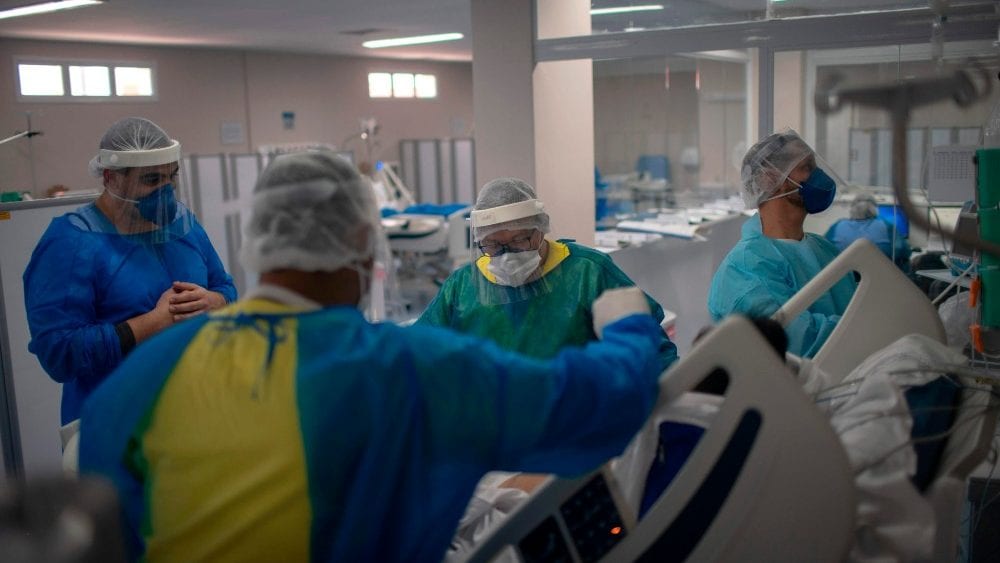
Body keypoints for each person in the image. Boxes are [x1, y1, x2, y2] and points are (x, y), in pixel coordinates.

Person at [78, 151, 665, 562]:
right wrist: (631, 326)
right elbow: (601, 400)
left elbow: (107, 541)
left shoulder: (141, 379)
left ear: (257, 242)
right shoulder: (412, 369)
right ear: (365, 243)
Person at [24, 117, 237, 426]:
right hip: (117, 421)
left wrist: (214, 301)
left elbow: (224, 286)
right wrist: (153, 322)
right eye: (151, 180)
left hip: (193, 407)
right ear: (111, 178)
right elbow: (59, 352)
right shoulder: (72, 243)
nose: (165, 191)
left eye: (171, 177)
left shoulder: (183, 226)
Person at [418, 177, 677, 371]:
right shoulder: (463, 285)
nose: (507, 256)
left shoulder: (587, 272)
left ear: (541, 229)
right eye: (493, 245)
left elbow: (651, 351)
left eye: (519, 240)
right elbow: (420, 350)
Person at [707, 130, 856, 358]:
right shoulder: (743, 270)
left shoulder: (823, 249)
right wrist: (868, 326)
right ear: (768, 180)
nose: (819, 176)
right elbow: (798, 343)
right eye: (807, 167)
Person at [825, 193, 911, 272]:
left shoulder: (837, 225)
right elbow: (905, 252)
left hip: (843, 279)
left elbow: (823, 250)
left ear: (852, 208)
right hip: (880, 278)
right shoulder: (886, 226)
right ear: (874, 209)